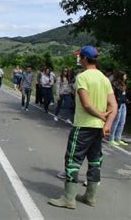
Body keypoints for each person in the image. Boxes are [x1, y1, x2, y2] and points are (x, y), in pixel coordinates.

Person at [48, 46, 117, 209]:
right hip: (98, 129)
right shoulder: (104, 78)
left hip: (83, 125)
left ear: (85, 59)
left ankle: (69, 199)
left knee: (73, 160)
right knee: (95, 161)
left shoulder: (82, 77)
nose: (79, 59)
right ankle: (90, 197)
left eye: (80, 57)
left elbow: (86, 104)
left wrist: (100, 115)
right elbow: (114, 105)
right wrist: (107, 124)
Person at [109, 71, 128, 146]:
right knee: (116, 121)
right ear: (121, 76)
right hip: (118, 105)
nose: (126, 77)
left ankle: (118, 138)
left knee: (122, 122)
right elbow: (116, 95)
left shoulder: (123, 84)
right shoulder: (115, 84)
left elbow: (123, 95)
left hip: (123, 105)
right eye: (124, 76)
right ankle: (111, 138)